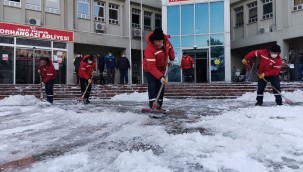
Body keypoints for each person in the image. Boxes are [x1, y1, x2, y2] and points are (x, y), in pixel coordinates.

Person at [143, 28, 175, 110]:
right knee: (153, 86)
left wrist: (171, 59)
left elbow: (170, 49)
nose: (157, 43)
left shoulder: (166, 42)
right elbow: (151, 67)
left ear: (162, 40)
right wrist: (160, 77)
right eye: (155, 41)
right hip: (149, 70)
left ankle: (159, 105)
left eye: (159, 41)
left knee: (160, 86)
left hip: (161, 69)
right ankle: (153, 106)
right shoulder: (149, 49)